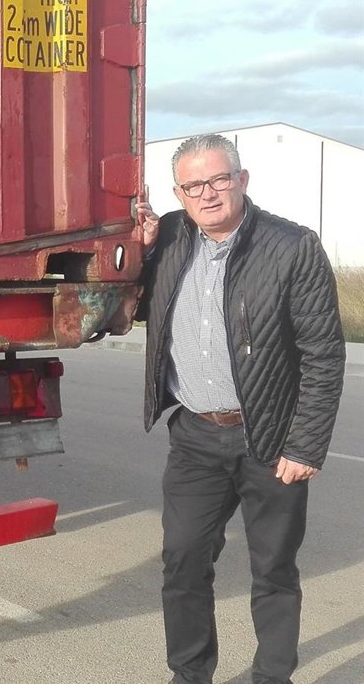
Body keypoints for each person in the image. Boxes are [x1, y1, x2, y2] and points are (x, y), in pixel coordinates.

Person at [134, 133, 346, 684]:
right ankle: (189, 674)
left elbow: (323, 354)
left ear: (242, 180)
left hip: (271, 438)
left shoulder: (292, 246)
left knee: (273, 570)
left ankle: (272, 676)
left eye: (218, 179)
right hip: (195, 435)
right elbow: (129, 306)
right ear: (179, 194)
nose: (207, 194)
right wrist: (140, 251)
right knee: (183, 561)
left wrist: (305, 445)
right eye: (192, 186)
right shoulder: (169, 237)